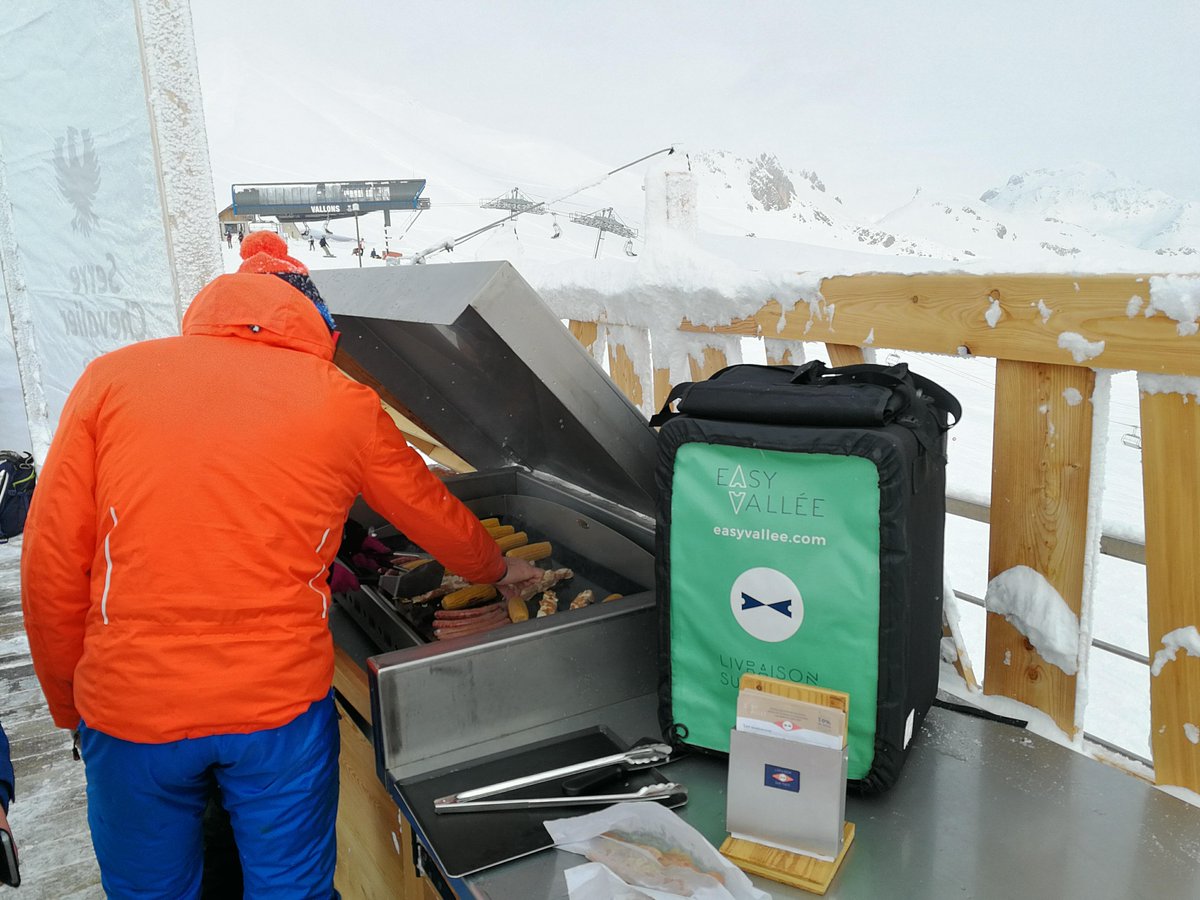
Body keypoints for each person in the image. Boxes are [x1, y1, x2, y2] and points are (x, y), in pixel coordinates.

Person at [21, 230, 542, 898]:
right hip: (276, 710)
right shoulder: (339, 399)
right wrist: (499, 571)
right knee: (289, 890)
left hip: (130, 710)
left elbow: (50, 561)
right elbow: (428, 508)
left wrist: (70, 705)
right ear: (316, 323)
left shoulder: (111, 379)